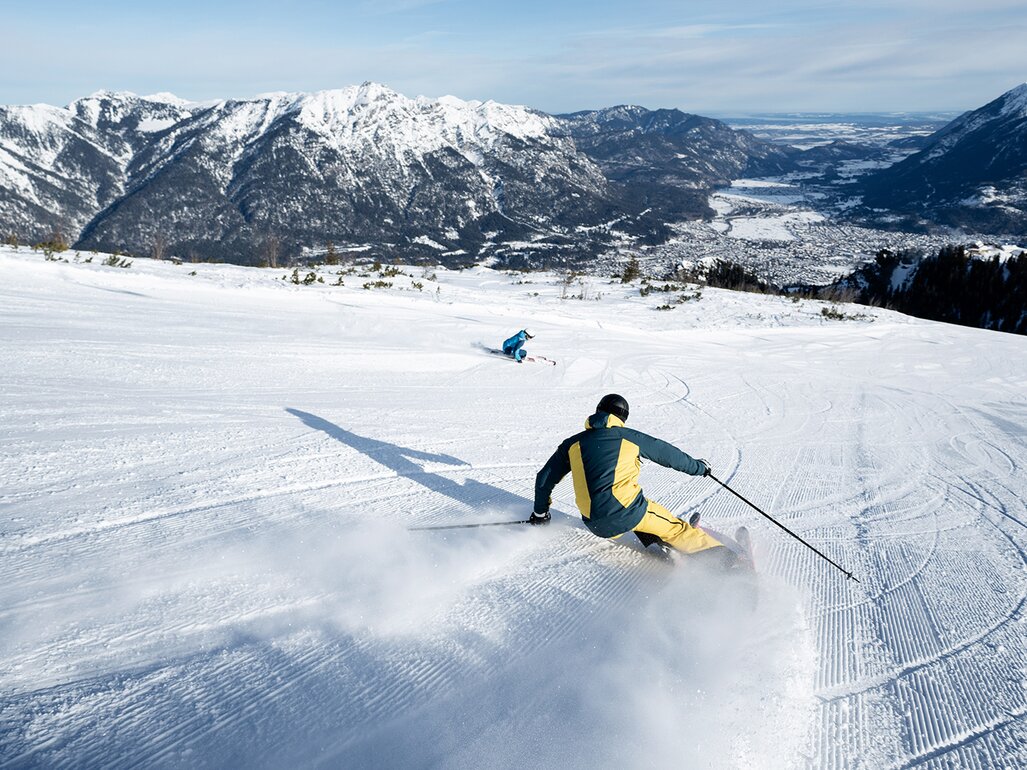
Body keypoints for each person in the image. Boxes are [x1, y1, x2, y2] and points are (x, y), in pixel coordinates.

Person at [530, 393, 732, 562]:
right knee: (675, 528)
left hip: (593, 523)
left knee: (638, 510)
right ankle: (728, 562)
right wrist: (699, 468)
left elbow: (543, 480)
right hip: (625, 514)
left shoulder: (572, 443)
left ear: (598, 410)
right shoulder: (626, 436)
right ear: (623, 417)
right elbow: (668, 454)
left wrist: (540, 515)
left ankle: (658, 543)